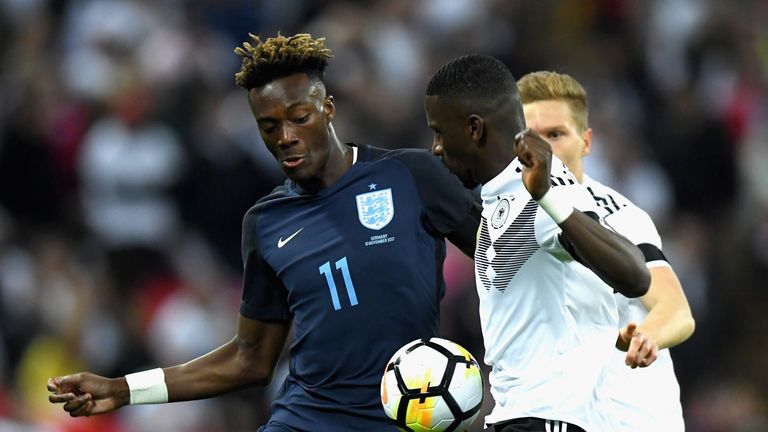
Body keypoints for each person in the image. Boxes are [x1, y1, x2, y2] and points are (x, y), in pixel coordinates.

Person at [47, 33, 482, 431]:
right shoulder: (266, 222)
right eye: (269, 127)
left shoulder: (410, 176)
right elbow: (249, 359)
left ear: (327, 109)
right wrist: (123, 390)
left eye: (299, 117)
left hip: (406, 417)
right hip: (306, 419)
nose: (287, 137)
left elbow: (503, 254)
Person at [424, 54, 651, 432]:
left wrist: (547, 196)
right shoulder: (502, 196)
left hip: (554, 417)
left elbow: (635, 275)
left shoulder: (538, 189)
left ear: (475, 129)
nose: (435, 147)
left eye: (439, 132)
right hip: (520, 416)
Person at [518, 70, 695, 431]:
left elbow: (676, 311)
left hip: (633, 417)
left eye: (555, 135)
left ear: (585, 142)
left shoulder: (620, 216)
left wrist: (647, 337)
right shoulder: (507, 215)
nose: (541, 149)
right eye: (530, 137)